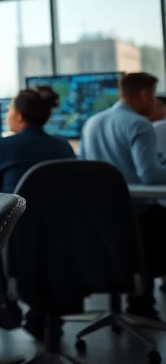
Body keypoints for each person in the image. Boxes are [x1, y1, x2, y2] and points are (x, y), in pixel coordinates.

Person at [0, 86, 76, 349]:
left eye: (8, 110)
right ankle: (44, 322)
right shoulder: (63, 146)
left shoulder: (1, 147)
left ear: (19, 117)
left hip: (15, 242)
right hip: (60, 241)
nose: (6, 114)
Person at [81, 72, 166, 319]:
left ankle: (140, 302)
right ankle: (143, 304)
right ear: (144, 94)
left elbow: (83, 168)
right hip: (137, 215)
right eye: (153, 96)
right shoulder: (139, 124)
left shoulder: (92, 122)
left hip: (99, 217)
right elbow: (149, 175)